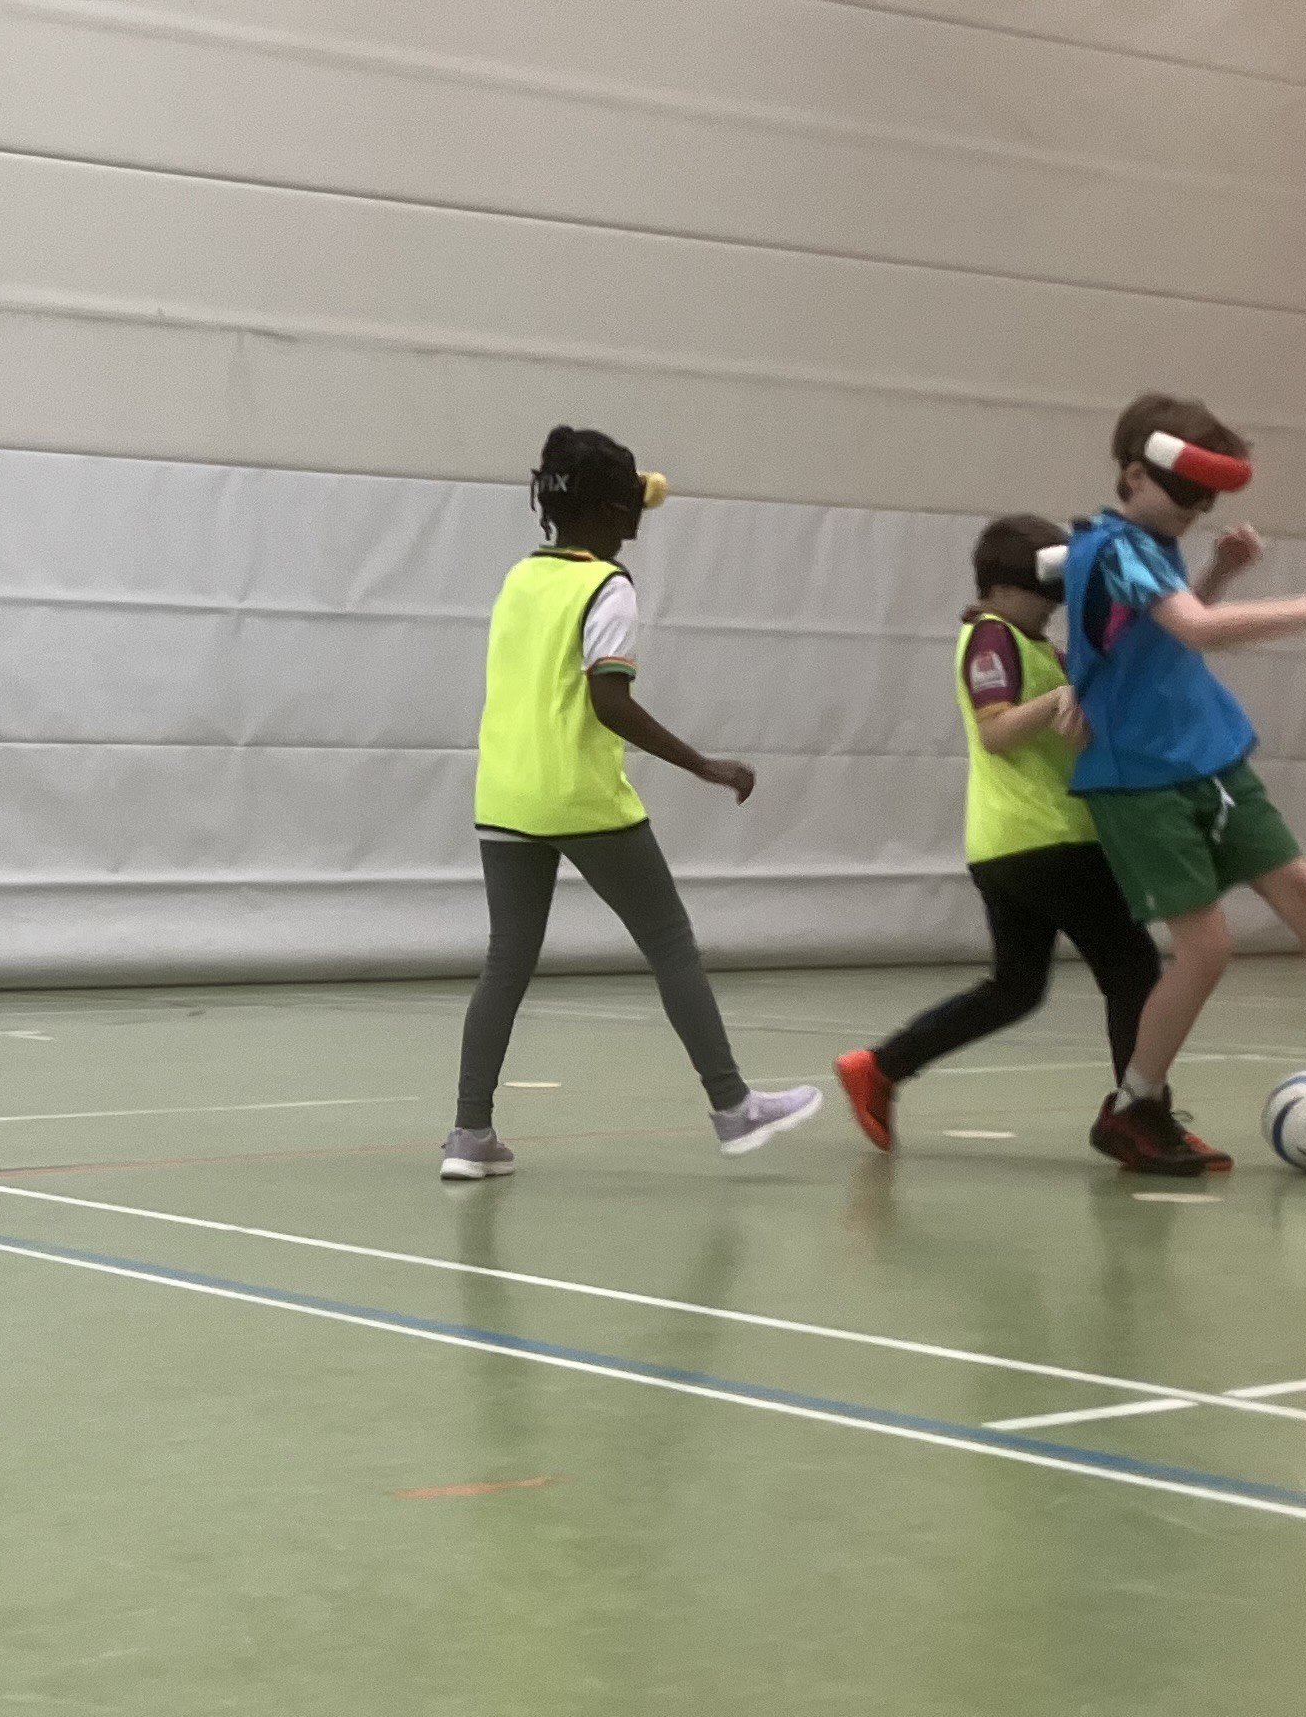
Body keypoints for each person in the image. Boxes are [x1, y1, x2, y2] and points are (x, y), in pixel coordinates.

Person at [1060, 393, 1306, 1176]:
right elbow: (1196, 631)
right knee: (1206, 950)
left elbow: (1159, 633)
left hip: (1207, 756)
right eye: (1183, 498)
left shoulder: (1154, 547)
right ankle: (1133, 1107)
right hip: (1141, 779)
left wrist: (1218, 568)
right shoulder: (1111, 547)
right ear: (1132, 475)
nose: (1192, 514)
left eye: (1203, 505)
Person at [442, 427, 819, 1180]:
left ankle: (469, 1136)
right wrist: (703, 766)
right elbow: (608, 702)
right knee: (671, 943)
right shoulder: (607, 587)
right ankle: (732, 1106)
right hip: (581, 797)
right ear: (614, 512)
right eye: (633, 505)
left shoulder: (521, 577)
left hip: (505, 794)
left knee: (506, 961)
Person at [832, 518, 1161, 1148]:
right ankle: (1139, 1116)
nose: (1056, 603)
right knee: (1132, 970)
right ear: (1006, 587)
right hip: (1049, 840)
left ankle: (880, 1067)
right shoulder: (991, 637)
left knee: (1016, 988)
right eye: (1049, 591)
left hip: (1007, 847)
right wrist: (1060, 699)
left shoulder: (1037, 648)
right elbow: (997, 729)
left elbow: (1112, 677)